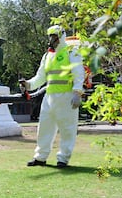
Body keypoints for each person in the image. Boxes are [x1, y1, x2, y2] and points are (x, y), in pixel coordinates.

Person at [20, 25, 85, 168]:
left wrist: (77, 92)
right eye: (50, 36)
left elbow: (79, 73)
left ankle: (63, 159)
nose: (51, 40)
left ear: (61, 36)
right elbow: (40, 77)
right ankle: (40, 157)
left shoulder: (71, 52)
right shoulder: (47, 56)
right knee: (44, 128)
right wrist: (28, 85)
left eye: (54, 36)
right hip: (49, 97)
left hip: (67, 97)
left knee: (67, 129)